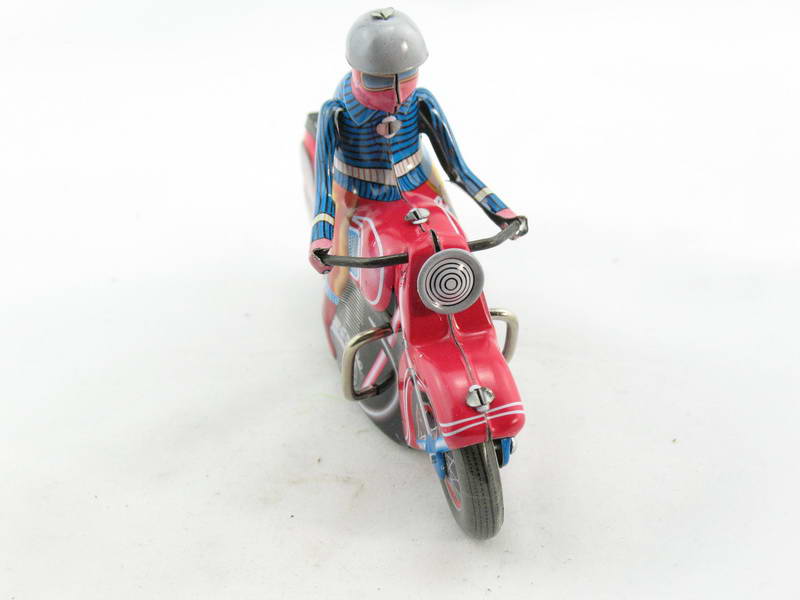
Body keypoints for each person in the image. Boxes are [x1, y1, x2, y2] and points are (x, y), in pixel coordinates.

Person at [308, 7, 528, 291]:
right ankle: (344, 305)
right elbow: (324, 185)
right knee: (341, 278)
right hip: (355, 194)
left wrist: (501, 211)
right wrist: (320, 237)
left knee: (455, 238)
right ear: (358, 74)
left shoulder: (422, 101)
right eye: (379, 81)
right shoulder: (335, 112)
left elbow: (457, 168)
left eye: (407, 76)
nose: (398, 94)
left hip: (421, 185)